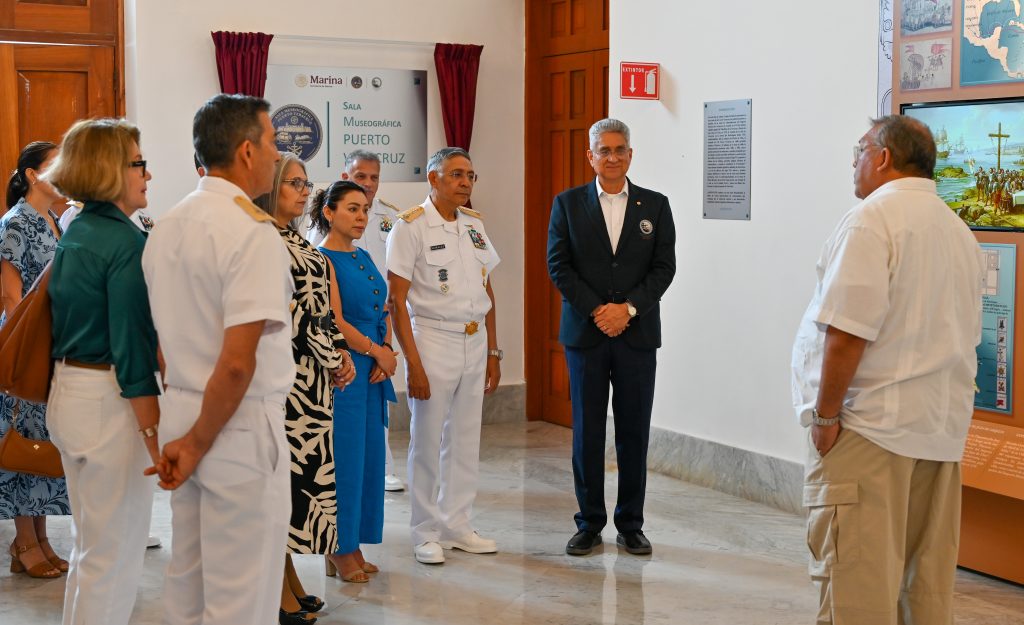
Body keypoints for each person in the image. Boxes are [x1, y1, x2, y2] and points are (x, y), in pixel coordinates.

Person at [791, 115, 985, 624]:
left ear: (882, 158)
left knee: (856, 591)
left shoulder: (871, 221)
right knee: (923, 592)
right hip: (937, 434)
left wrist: (826, 417)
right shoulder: (958, 231)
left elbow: (847, 333)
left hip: (869, 433)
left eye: (858, 151)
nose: (854, 163)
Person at [142, 94, 293, 625]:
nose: (278, 155)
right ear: (247, 151)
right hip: (233, 421)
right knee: (242, 598)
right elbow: (236, 364)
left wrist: (186, 436)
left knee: (190, 581)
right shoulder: (250, 231)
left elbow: (162, 339)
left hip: (184, 406)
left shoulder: (168, 223)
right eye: (273, 142)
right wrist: (198, 441)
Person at [43, 119, 161, 624]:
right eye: (138, 163)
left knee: (92, 551)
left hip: (71, 391)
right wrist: (154, 435)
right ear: (110, 169)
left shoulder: (80, 227)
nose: (148, 174)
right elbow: (131, 346)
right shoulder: (122, 242)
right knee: (113, 557)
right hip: (107, 399)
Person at [547, 118, 676, 557]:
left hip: (637, 335)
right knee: (587, 430)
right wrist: (598, 311)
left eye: (620, 149)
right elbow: (559, 265)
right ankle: (588, 523)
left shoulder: (655, 205)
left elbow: (664, 268)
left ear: (630, 155)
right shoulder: (567, 204)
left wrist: (629, 309)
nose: (613, 157)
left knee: (633, 432)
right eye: (604, 150)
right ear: (591, 156)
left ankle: (631, 524)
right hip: (586, 334)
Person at [386, 147, 502, 565]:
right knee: (427, 439)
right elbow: (396, 301)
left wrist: (493, 351)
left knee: (466, 438)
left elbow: (487, 289)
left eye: (470, 175)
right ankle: (424, 531)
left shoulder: (473, 224)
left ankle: (457, 524)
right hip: (433, 339)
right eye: (456, 174)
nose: (465, 182)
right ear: (433, 179)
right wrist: (413, 363)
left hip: (474, 339)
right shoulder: (410, 226)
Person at [253, 153, 354, 623]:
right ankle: (276, 592)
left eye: (305, 183)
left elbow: (323, 309)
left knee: (300, 486)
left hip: (312, 382)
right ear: (270, 186)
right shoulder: (263, 238)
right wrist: (333, 357)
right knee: (285, 486)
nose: (303, 191)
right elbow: (292, 315)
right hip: (287, 379)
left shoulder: (293, 237)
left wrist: (340, 353)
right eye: (293, 182)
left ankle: (289, 578)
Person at [314, 180, 398, 581]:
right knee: (344, 459)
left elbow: (384, 307)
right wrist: (376, 351)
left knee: (368, 459)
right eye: (352, 208)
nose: (362, 216)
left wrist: (388, 348)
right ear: (329, 212)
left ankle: (354, 542)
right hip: (345, 371)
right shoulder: (322, 259)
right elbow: (334, 319)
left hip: (373, 370)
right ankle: (339, 547)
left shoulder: (363, 255)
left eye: (364, 209)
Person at [0, 141, 70, 580]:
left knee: (42, 443)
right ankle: (23, 539)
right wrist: (30, 351)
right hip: (25, 345)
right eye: (54, 165)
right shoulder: (15, 222)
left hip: (50, 343)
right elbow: (11, 297)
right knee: (21, 441)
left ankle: (41, 538)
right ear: (31, 175)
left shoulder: (54, 220)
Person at [343, 149, 406, 493]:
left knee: (380, 392)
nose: (368, 183)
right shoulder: (326, 215)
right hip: (345, 322)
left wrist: (388, 339)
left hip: (380, 320)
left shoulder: (391, 217)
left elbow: (395, 280)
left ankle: (383, 467)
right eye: (360, 176)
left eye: (374, 177)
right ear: (346, 177)